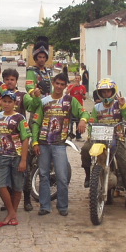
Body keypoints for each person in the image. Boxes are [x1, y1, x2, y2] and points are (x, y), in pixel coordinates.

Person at [32, 72, 88, 216]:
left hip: (60, 143)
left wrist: (83, 120)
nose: (59, 86)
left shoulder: (70, 101)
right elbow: (36, 122)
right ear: (53, 83)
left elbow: (84, 112)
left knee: (62, 177)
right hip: (43, 143)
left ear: (65, 86)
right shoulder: (44, 101)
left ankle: (62, 206)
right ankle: (45, 206)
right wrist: (35, 142)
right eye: (57, 83)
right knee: (44, 175)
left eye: (62, 84)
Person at [81, 78, 126, 210]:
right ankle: (89, 176)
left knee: (125, 165)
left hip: (116, 139)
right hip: (98, 139)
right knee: (85, 149)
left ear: (113, 92)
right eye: (103, 92)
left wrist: (124, 106)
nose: (106, 94)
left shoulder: (120, 105)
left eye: (108, 91)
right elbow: (92, 122)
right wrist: (90, 134)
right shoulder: (96, 107)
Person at [0, 68, 42, 212]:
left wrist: (35, 97)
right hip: (5, 139)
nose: (9, 82)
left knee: (25, 170)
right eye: (7, 79)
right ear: (3, 80)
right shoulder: (1, 96)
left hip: (20, 139)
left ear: (17, 81)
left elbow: (33, 105)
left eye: (12, 79)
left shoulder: (23, 96)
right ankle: (8, 202)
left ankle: (27, 200)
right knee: (7, 173)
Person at [0, 90, 31, 227]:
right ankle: (12, 212)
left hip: (17, 155)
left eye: (10, 102)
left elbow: (25, 139)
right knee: (1, 185)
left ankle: (12, 214)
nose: (7, 104)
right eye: (4, 101)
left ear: (15, 103)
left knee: (17, 186)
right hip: (3, 155)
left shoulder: (20, 118)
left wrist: (24, 160)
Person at [66, 73, 87, 140]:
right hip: (71, 106)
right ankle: (70, 135)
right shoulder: (71, 86)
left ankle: (78, 136)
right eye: (76, 78)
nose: (77, 79)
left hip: (79, 106)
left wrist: (82, 94)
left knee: (78, 121)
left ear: (80, 79)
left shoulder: (82, 87)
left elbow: (85, 98)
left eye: (78, 78)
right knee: (70, 122)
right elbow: (66, 93)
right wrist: (73, 86)